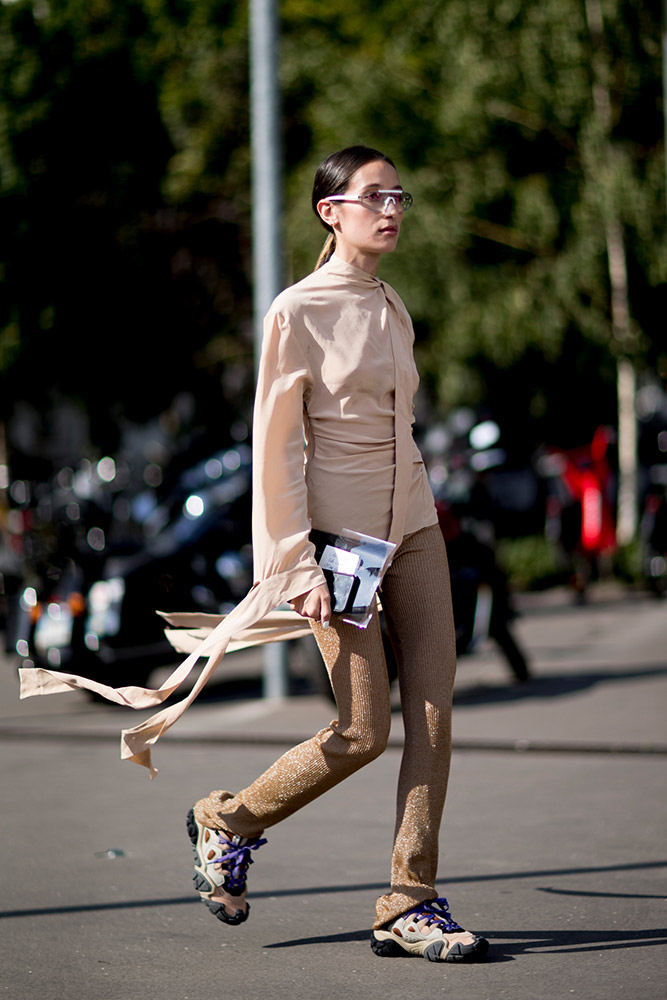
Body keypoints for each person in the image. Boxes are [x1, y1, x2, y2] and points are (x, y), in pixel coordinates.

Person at [186, 145, 489, 964]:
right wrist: (294, 565)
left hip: (413, 528)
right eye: (373, 196)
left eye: (400, 195)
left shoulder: (392, 305)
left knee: (433, 712)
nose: (391, 208)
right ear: (331, 211)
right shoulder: (298, 311)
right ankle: (228, 820)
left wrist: (422, 515)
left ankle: (408, 898)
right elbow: (278, 448)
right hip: (337, 546)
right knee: (361, 730)